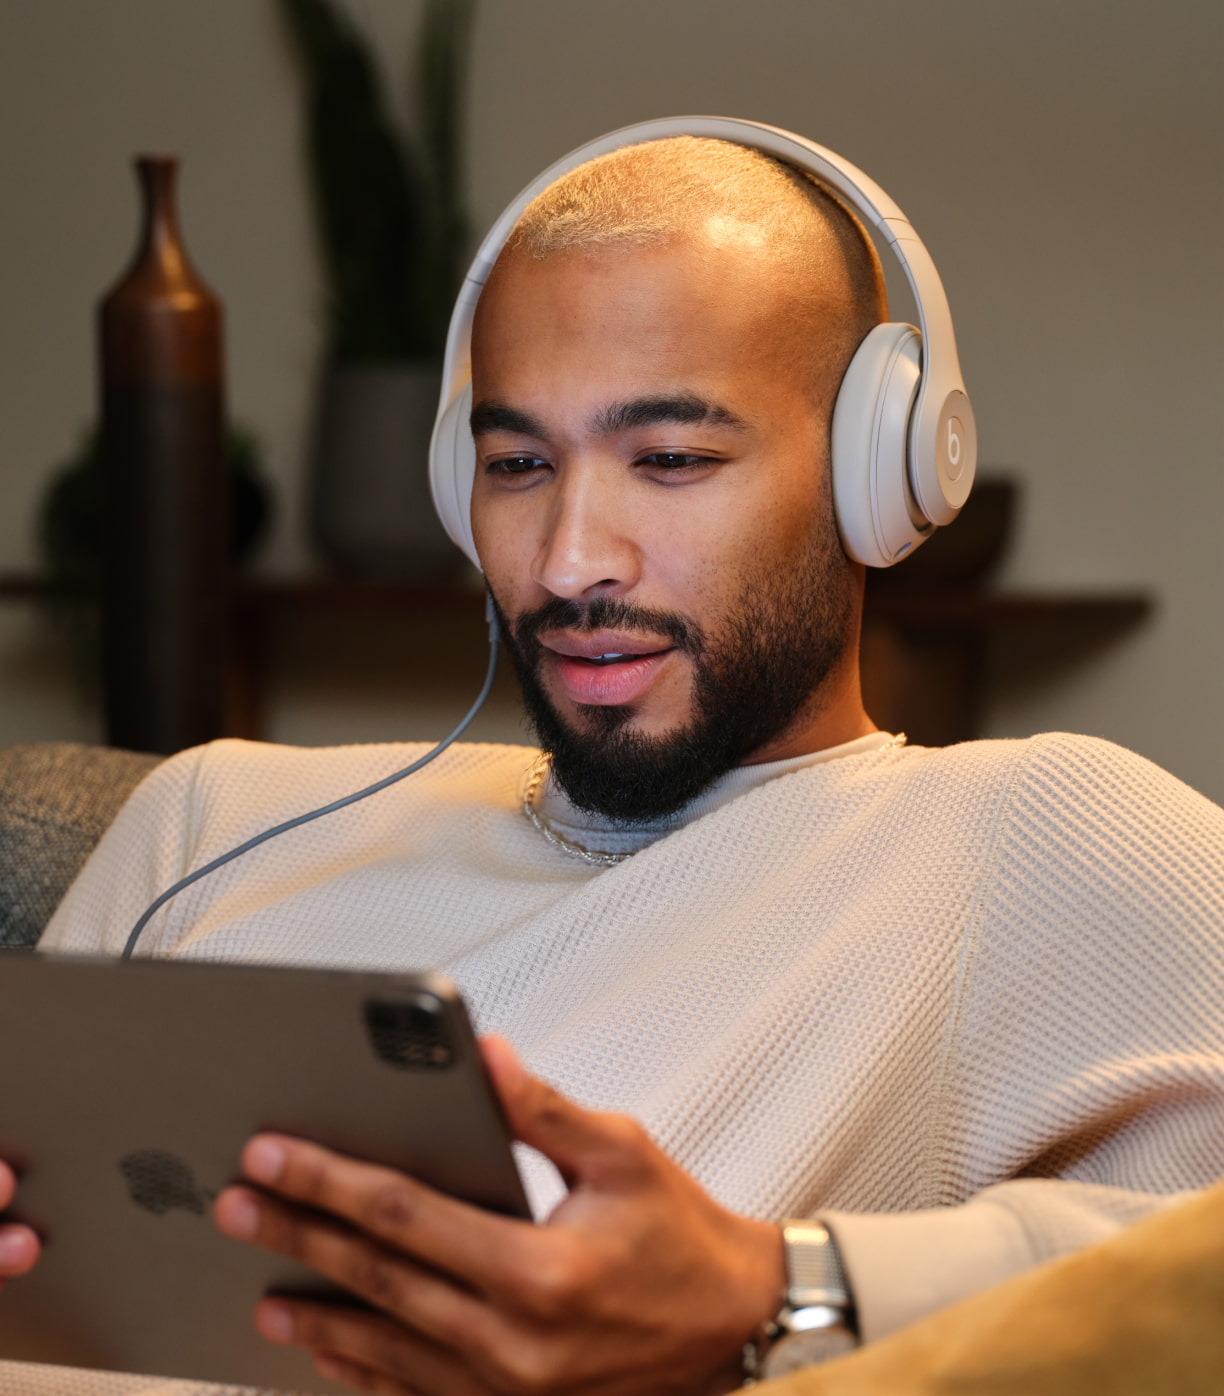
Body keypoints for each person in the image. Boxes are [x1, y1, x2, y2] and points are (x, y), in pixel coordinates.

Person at [2, 129, 1224, 1396]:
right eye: (517, 463)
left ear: (884, 471)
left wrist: (775, 1291)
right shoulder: (211, 815)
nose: (571, 556)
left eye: (674, 461)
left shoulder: (1017, 836)